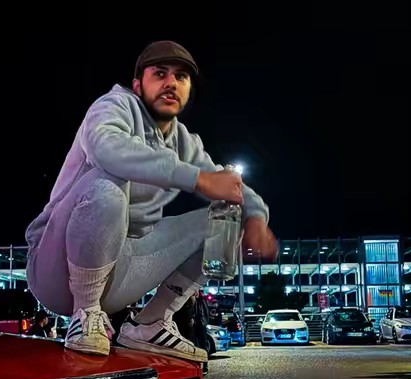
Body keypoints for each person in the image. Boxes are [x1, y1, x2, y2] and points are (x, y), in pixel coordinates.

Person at [24, 40, 276, 361]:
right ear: (137, 85)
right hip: (55, 269)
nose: (171, 83)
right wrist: (198, 179)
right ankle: (84, 314)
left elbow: (231, 185)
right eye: (160, 73)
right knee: (107, 184)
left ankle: (150, 323)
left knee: (226, 217)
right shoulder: (113, 106)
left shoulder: (184, 142)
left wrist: (256, 217)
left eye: (181, 77)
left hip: (121, 272)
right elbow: (107, 149)